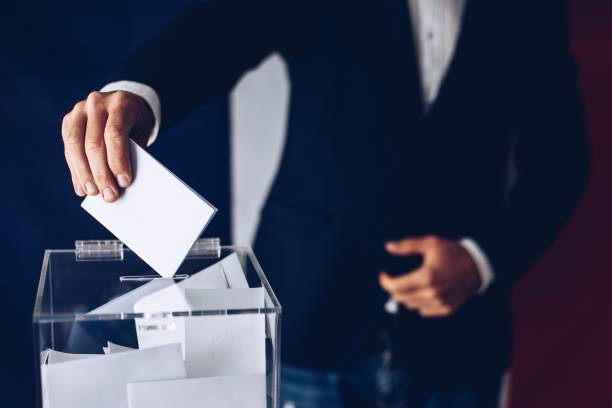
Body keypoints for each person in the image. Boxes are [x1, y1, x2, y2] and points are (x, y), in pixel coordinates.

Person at [59, 0, 590, 406]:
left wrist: (480, 260)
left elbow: (561, 163)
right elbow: (215, 34)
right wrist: (136, 93)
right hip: (307, 315)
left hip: (461, 341)